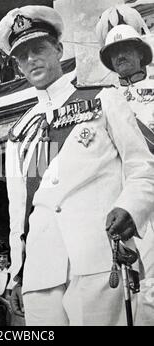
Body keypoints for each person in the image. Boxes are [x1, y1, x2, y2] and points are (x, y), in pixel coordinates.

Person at [0, 5, 154, 325]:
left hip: (98, 258)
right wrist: (17, 271)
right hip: (41, 272)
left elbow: (142, 168)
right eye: (22, 55)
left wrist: (130, 206)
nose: (32, 59)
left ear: (58, 48)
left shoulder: (104, 98)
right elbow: (19, 211)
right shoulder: (20, 132)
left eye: (38, 48)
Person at [96, 12, 154, 326]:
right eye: (112, 52)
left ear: (142, 53)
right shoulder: (104, 101)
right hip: (125, 205)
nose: (120, 55)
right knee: (129, 298)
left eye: (127, 49)